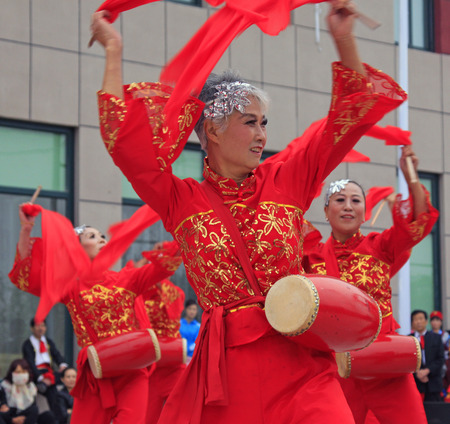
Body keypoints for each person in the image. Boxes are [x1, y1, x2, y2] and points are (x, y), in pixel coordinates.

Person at [91, 1, 408, 422]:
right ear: (213, 131)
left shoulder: (288, 179)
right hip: (227, 376)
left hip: (302, 365)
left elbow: (348, 115)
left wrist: (343, 37)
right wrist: (113, 50)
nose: (261, 135)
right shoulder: (179, 199)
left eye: (264, 123)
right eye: (249, 122)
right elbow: (124, 143)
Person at [9, 203, 181, 424]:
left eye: (102, 236)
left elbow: (166, 265)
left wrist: (181, 222)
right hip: (95, 374)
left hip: (132, 372)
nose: (102, 239)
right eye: (92, 236)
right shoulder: (70, 287)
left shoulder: (128, 279)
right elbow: (27, 276)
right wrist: (26, 229)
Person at [303, 145, 439, 423]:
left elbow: (417, 223)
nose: (348, 207)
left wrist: (412, 178)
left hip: (385, 366)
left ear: (365, 212)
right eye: (340, 200)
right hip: (335, 372)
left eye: (356, 201)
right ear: (326, 211)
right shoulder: (310, 256)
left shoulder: (381, 247)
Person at [22, 319, 67, 423]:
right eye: (38, 326)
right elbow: (30, 363)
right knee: (33, 398)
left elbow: (56, 354)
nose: (40, 328)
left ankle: (58, 419)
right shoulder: (27, 344)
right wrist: (41, 378)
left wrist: (62, 364)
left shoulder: (48, 341)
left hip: (49, 372)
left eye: (43, 326)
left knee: (55, 393)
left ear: (46, 328)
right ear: (32, 328)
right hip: (35, 373)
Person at [0, 359, 56, 424]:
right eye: (18, 372)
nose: (21, 375)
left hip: (27, 419)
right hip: (9, 417)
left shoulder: (31, 387)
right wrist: (12, 419)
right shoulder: (4, 386)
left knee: (46, 415)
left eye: (23, 372)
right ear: (12, 372)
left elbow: (33, 409)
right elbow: (3, 407)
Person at [411, 309, 445, 402]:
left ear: (426, 321)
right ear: (412, 322)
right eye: (415, 319)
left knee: (435, 414)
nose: (418, 322)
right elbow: (407, 360)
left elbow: (440, 358)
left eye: (421, 319)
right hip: (416, 383)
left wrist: (427, 371)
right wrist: (417, 373)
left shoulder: (436, 338)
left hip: (433, 382)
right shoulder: (409, 339)